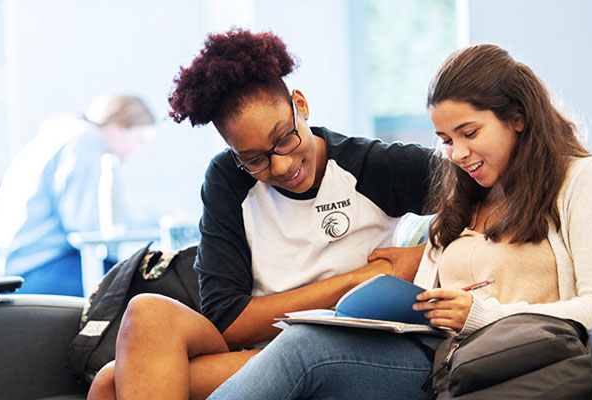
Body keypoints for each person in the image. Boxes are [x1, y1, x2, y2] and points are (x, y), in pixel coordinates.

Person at [206, 44, 592, 399]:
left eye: (469, 133)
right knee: (303, 343)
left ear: (518, 118)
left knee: (303, 351)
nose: (456, 154)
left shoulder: (588, 181)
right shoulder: (470, 190)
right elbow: (434, 296)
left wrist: (479, 314)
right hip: (442, 360)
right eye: (446, 140)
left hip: (515, 364)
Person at [86, 28, 434, 399]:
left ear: (299, 105)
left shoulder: (371, 165)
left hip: (340, 345)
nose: (281, 165)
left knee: (112, 382)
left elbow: (487, 191)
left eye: (285, 138)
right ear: (234, 153)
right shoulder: (227, 180)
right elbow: (229, 320)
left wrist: (427, 255)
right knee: (146, 312)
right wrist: (364, 277)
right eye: (255, 159)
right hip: (260, 346)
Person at [0, 94, 159, 296]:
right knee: (148, 288)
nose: (138, 151)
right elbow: (86, 225)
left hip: (18, 265)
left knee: (130, 278)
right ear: (116, 129)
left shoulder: (65, 133)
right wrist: (158, 221)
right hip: (36, 270)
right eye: (140, 140)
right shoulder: (86, 140)